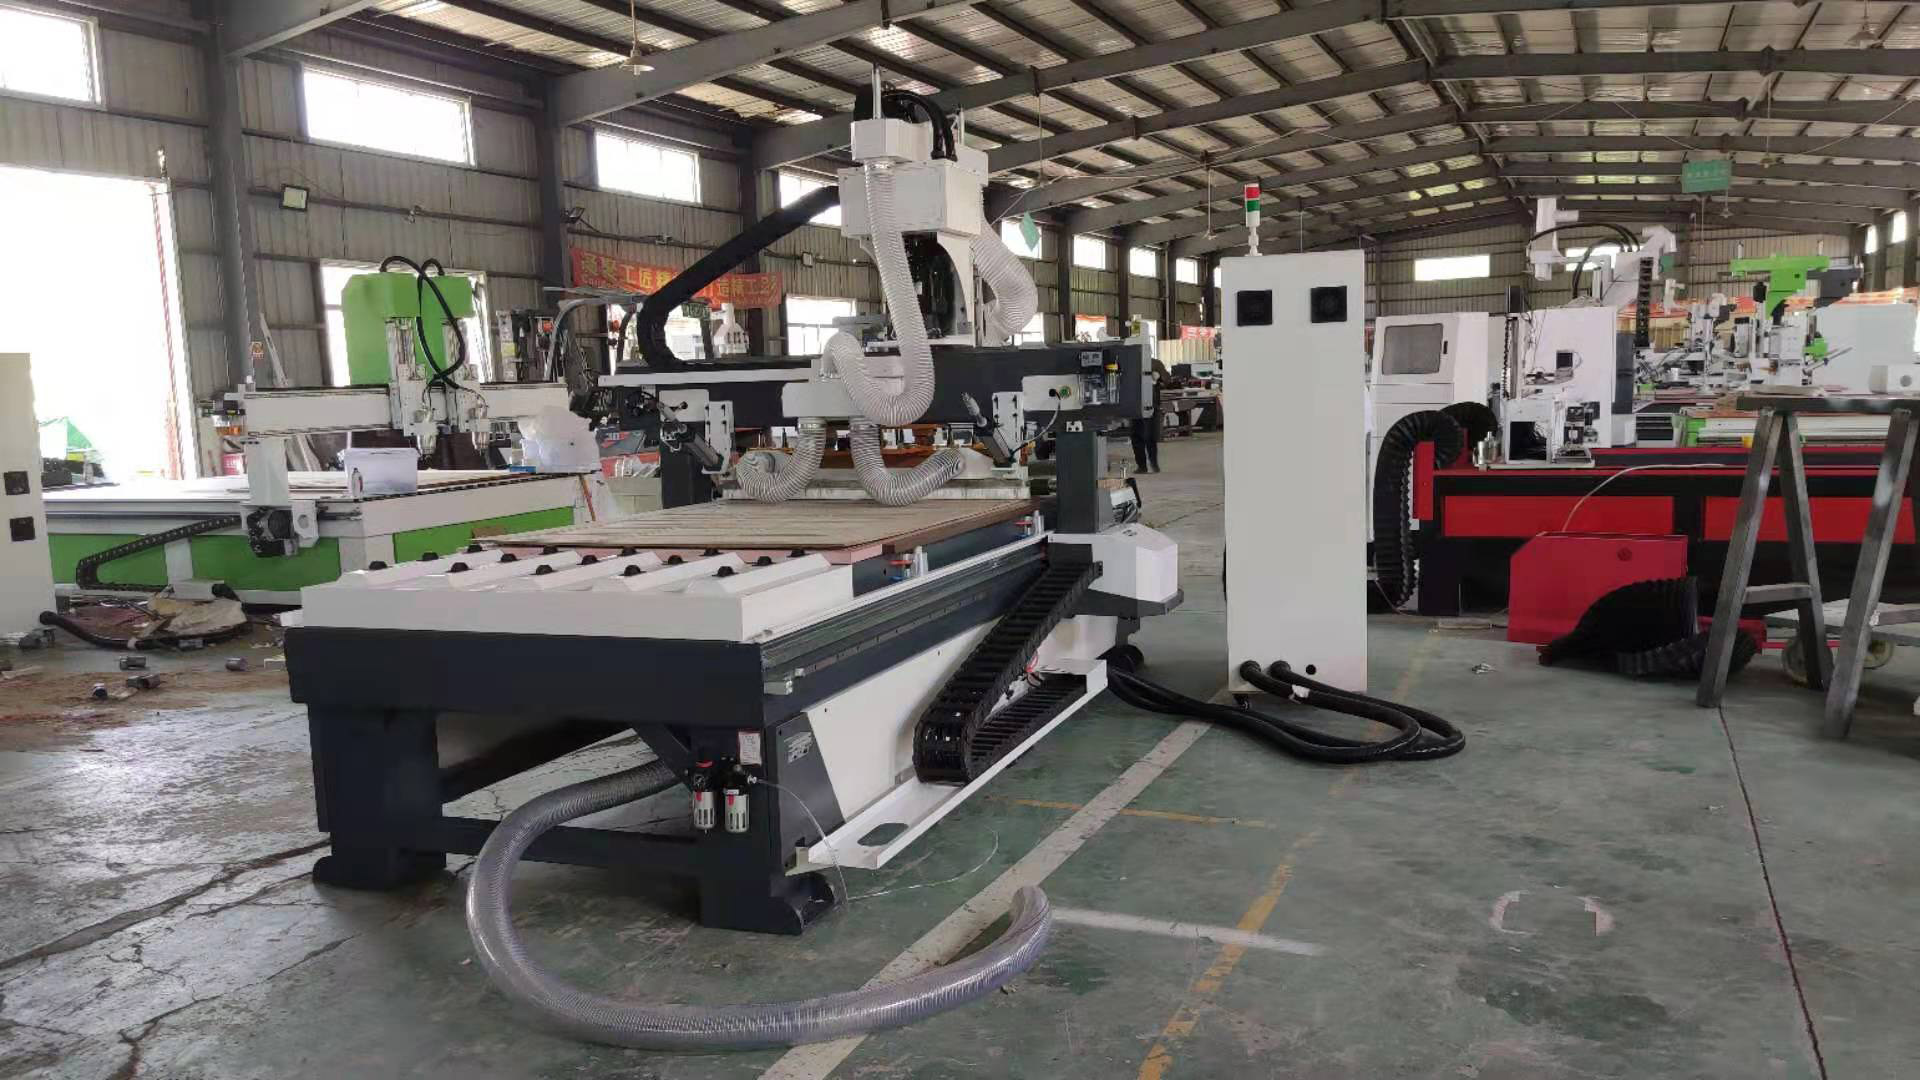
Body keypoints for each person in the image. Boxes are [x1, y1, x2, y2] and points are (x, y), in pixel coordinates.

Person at [1131, 363, 1166, 473]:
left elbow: (1168, 379)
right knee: (1138, 436)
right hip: (1137, 405)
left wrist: (1159, 377)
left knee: (1149, 436)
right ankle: (1143, 466)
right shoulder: (1133, 362)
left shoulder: (1155, 363)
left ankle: (1152, 465)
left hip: (1150, 405)